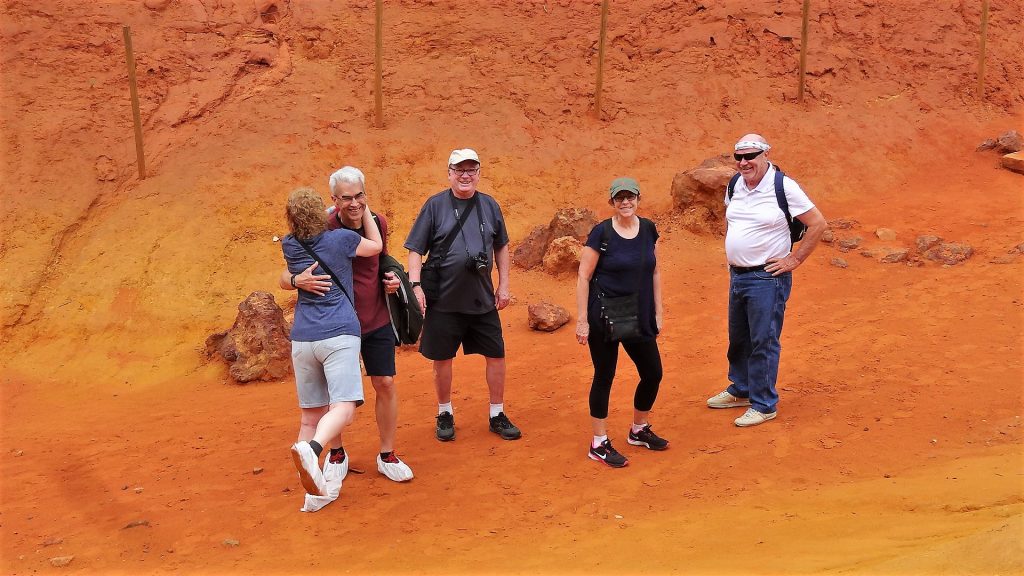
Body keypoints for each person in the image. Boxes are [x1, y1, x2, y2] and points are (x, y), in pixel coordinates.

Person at [282, 167, 414, 483]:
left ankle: (387, 454)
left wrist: (393, 280)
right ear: (334, 200)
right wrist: (296, 280)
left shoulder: (378, 222)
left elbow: (381, 257)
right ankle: (336, 452)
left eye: (359, 196)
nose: (354, 203)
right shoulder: (324, 228)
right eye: (346, 198)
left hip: (374, 317)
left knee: (385, 382)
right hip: (339, 328)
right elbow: (284, 275)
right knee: (334, 396)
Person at [706, 134, 827, 427]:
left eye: (750, 156)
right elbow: (731, 220)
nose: (744, 162)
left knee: (764, 339)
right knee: (739, 337)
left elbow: (817, 223)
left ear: (765, 155)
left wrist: (794, 260)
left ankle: (764, 404)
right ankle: (742, 389)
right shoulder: (735, 184)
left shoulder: (783, 186)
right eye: (739, 157)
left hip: (767, 277)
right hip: (738, 275)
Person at [404, 149, 521, 442]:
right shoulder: (435, 206)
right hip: (443, 299)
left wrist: (504, 285)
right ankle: (444, 412)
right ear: (449, 173)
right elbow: (415, 249)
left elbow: (501, 246)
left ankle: (497, 413)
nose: (465, 175)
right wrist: (416, 285)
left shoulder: (490, 205)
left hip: (482, 298)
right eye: (459, 170)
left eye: (471, 170)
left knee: (496, 355)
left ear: (479, 174)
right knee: (442, 358)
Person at [280, 187, 382, 504]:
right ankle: (312, 450)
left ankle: (313, 496)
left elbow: (287, 270)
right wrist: (364, 208)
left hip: (303, 338)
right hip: (338, 333)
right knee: (344, 408)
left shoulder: (290, 244)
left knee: (310, 418)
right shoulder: (341, 240)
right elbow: (376, 246)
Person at [575, 177, 667, 468]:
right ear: (612, 202)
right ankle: (598, 443)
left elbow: (655, 271)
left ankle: (638, 429)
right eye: (619, 198)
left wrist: (658, 311)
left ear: (638, 199)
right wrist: (582, 321)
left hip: (638, 312)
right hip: (605, 313)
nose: (625, 202)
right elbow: (584, 276)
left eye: (630, 197)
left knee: (652, 372)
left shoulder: (648, 229)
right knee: (605, 375)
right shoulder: (601, 233)